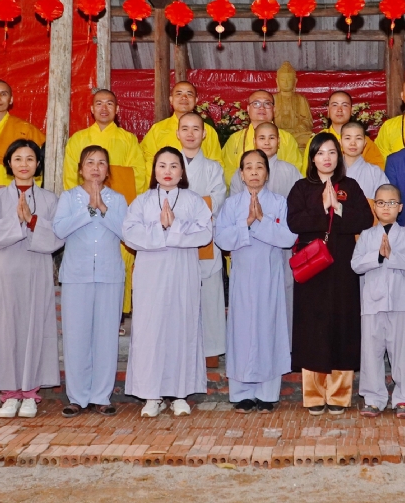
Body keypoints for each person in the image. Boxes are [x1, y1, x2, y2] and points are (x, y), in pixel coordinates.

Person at [0, 139, 65, 419]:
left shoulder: (50, 199)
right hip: (5, 271)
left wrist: (34, 221)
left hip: (36, 270)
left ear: (38, 164)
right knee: (6, 329)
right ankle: (9, 394)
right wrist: (17, 221)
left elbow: (59, 237)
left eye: (30, 159)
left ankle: (30, 393)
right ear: (9, 164)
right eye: (18, 159)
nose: (24, 164)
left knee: (34, 328)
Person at [122, 146, 213, 417]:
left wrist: (174, 228)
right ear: (154, 170)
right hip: (151, 274)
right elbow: (129, 233)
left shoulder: (193, 200)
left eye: (174, 166)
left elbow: (205, 233)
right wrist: (161, 228)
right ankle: (151, 394)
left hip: (183, 272)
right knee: (151, 331)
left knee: (181, 328)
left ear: (182, 171)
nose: (168, 171)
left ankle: (180, 393)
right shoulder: (142, 201)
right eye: (162, 165)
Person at [288, 134, 374, 414]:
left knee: (343, 327)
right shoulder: (302, 187)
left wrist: (338, 208)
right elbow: (294, 222)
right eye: (321, 152)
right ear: (312, 158)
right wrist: (320, 206)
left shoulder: (349, 186)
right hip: (312, 270)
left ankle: (338, 395)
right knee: (312, 329)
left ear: (338, 157)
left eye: (332, 153)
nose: (327, 157)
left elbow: (364, 219)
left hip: (343, 268)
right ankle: (313, 396)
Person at [215, 150, 297, 413]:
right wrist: (246, 223)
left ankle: (267, 394)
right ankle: (242, 393)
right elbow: (222, 240)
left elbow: (288, 238)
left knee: (268, 329)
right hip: (242, 276)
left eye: (259, 167)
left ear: (267, 173)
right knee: (241, 331)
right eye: (248, 167)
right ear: (240, 174)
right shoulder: (231, 205)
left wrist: (260, 221)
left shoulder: (279, 203)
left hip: (271, 276)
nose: (253, 172)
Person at [63, 89, 148, 326]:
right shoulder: (78, 139)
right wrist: (84, 203)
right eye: (98, 103)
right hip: (83, 211)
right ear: (91, 109)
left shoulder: (128, 139)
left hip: (115, 211)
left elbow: (138, 176)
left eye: (109, 104)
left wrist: (119, 207)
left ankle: (118, 316)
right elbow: (71, 176)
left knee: (120, 261)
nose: (104, 108)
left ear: (117, 110)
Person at [53, 145, 126, 417]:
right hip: (76, 275)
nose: (96, 167)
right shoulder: (68, 198)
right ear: (81, 169)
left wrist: (103, 208)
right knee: (76, 336)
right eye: (90, 162)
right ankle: (77, 397)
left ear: (108, 170)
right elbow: (59, 229)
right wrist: (88, 210)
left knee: (106, 336)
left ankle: (101, 396)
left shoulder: (118, 199)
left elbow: (127, 233)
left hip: (109, 275)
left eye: (102, 163)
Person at [351, 184, 405, 418]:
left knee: (403, 353)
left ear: (400, 208)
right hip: (372, 303)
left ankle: (404, 398)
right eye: (380, 203)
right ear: (374, 206)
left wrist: (392, 256)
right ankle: (373, 398)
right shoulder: (366, 236)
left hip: (400, 303)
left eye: (391, 203)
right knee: (371, 352)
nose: (385, 207)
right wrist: (378, 256)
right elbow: (356, 265)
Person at [229, 122, 301, 343]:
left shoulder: (290, 171)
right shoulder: (238, 175)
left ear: (279, 142)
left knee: (282, 295)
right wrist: (249, 223)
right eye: (262, 138)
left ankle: (284, 347)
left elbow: (296, 211)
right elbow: (234, 210)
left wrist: (269, 222)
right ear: (254, 140)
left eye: (272, 137)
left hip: (280, 246)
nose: (267, 142)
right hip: (247, 247)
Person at [177, 112, 227, 363]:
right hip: (175, 237)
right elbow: (161, 197)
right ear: (177, 133)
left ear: (204, 134)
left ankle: (211, 349)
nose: (190, 133)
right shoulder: (168, 163)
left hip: (205, 236)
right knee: (179, 294)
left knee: (210, 294)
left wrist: (186, 206)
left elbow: (217, 200)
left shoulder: (213, 167)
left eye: (195, 128)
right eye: (185, 128)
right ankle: (183, 350)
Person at [139, 81, 223, 179]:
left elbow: (216, 163)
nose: (184, 98)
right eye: (179, 94)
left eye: (189, 94)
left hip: (200, 189)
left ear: (196, 100)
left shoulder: (208, 131)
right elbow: (147, 160)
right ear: (171, 99)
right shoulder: (157, 129)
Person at [221, 90, 301, 184]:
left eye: (267, 104)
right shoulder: (235, 139)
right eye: (256, 103)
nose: (262, 107)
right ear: (248, 109)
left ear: (274, 109)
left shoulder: (287, 138)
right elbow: (226, 171)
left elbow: (295, 170)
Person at [301, 92, 385, 173]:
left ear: (351, 111)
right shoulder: (317, 140)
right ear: (328, 111)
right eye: (335, 105)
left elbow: (377, 172)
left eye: (344, 105)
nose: (339, 110)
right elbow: (307, 172)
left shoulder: (363, 141)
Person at [340, 121, 389, 202]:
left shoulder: (375, 172)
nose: (353, 143)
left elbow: (385, 202)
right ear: (340, 142)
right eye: (348, 138)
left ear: (365, 143)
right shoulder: (331, 170)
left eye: (358, 138)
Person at [272, 61, 315, 149]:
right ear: (277, 81)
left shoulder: (301, 99)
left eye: (289, 80)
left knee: (310, 138)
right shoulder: (272, 99)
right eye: (283, 80)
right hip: (277, 135)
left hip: (296, 134)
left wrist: (298, 129)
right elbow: (267, 121)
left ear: (295, 81)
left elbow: (308, 121)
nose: (286, 83)